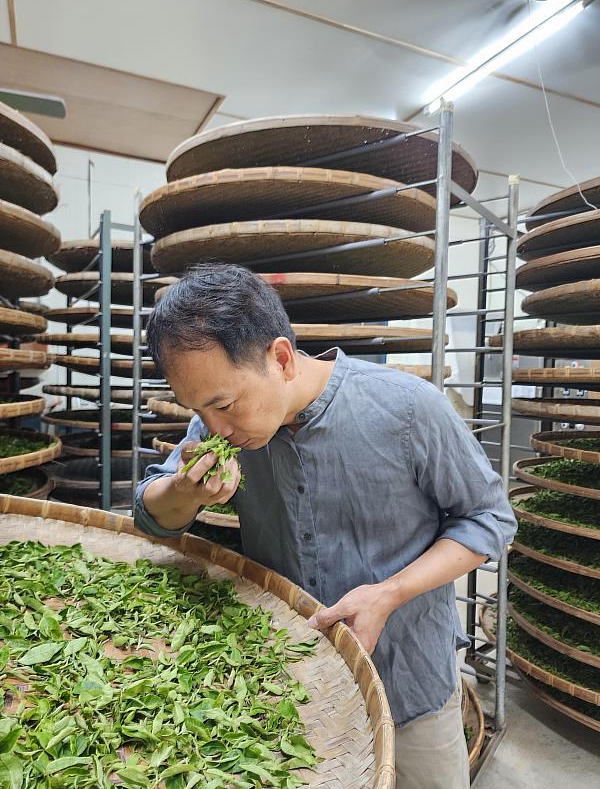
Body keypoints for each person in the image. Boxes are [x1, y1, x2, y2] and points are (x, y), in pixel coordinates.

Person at [134, 263, 517, 789]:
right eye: (198, 409)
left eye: (224, 404)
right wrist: (182, 490)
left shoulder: (408, 409)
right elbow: (151, 516)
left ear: (282, 358)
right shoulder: (215, 427)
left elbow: (489, 518)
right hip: (292, 681)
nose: (215, 427)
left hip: (408, 681)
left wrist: (389, 592)